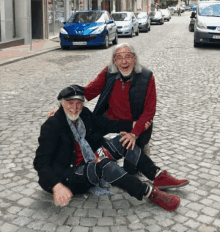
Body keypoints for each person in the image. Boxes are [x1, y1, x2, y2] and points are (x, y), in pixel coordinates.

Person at [34, 85, 189, 211]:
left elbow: (105, 124)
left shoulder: (84, 114)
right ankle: (150, 193)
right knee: (105, 166)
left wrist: (132, 125)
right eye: (70, 103)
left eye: (78, 102)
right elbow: (40, 163)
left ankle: (157, 176)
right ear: (61, 103)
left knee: (124, 140)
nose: (75, 107)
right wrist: (56, 185)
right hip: (71, 175)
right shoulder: (52, 125)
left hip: (94, 156)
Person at [83, 43, 156, 154]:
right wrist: (65, 102)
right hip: (110, 119)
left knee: (132, 167)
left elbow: (149, 110)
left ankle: (142, 148)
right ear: (114, 61)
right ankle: (104, 152)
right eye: (119, 57)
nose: (124, 62)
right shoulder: (108, 72)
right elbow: (89, 91)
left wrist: (134, 134)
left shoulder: (147, 77)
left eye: (128, 56)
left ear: (134, 58)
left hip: (134, 123)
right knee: (89, 134)